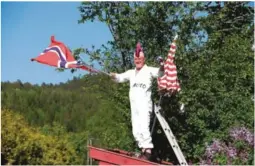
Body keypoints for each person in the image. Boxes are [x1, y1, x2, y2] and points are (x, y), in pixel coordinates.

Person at [110, 43, 164, 160]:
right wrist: (114, 75)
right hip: (134, 106)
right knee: (136, 129)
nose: (137, 61)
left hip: (144, 105)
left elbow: (160, 73)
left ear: (144, 59)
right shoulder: (131, 73)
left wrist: (162, 66)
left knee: (144, 127)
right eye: (136, 59)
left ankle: (148, 150)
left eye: (139, 59)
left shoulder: (149, 70)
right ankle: (143, 150)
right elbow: (120, 77)